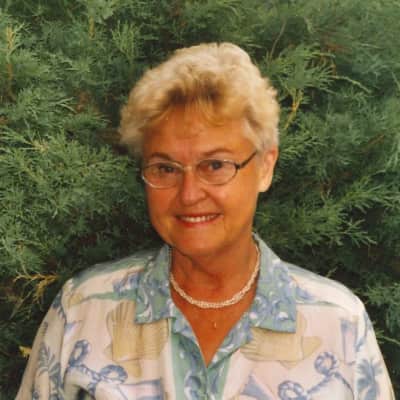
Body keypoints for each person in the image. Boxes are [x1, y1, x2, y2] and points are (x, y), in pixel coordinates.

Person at [17, 43, 394, 400]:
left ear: (265, 167)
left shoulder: (339, 324)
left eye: (215, 165)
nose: (189, 194)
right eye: (165, 168)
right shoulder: (83, 309)